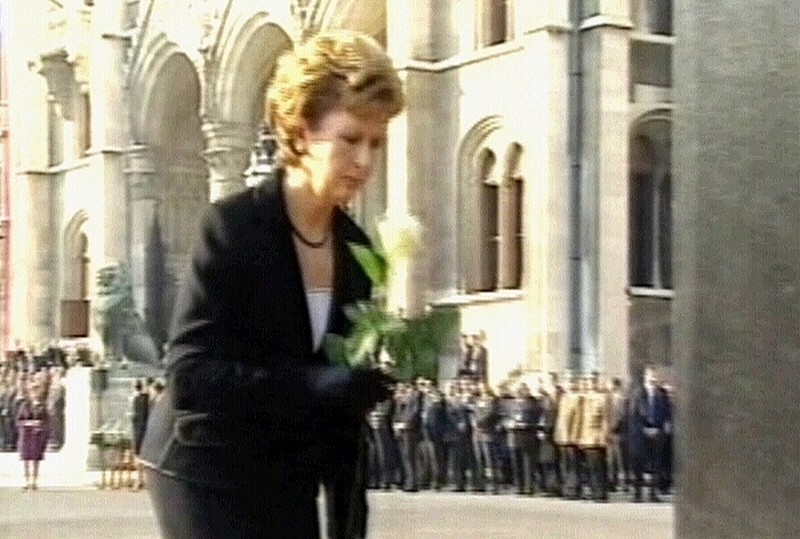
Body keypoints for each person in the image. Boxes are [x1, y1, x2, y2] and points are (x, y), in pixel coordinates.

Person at [138, 30, 403, 539]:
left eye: (376, 143)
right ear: (301, 133)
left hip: (283, 460)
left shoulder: (355, 249)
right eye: (350, 139)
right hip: (201, 460)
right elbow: (190, 373)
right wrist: (310, 384)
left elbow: (338, 424)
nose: (366, 162)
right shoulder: (233, 227)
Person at [16, 380, 50, 490]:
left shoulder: (42, 406)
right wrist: (29, 423)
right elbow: (18, 421)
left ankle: (34, 481)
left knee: (36, 459)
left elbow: (47, 420)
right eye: (33, 390)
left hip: (37, 436)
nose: (35, 393)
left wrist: (40, 425)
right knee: (26, 459)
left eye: (37, 390)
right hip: (26, 435)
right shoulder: (24, 405)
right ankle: (27, 481)